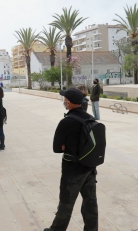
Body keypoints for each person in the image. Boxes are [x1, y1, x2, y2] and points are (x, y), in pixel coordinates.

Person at [44, 88, 98, 231]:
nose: (64, 102)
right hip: (89, 168)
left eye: (65, 100)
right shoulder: (89, 118)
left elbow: (56, 148)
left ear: (68, 102)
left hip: (72, 169)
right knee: (90, 203)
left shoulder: (66, 122)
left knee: (66, 203)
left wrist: (65, 145)